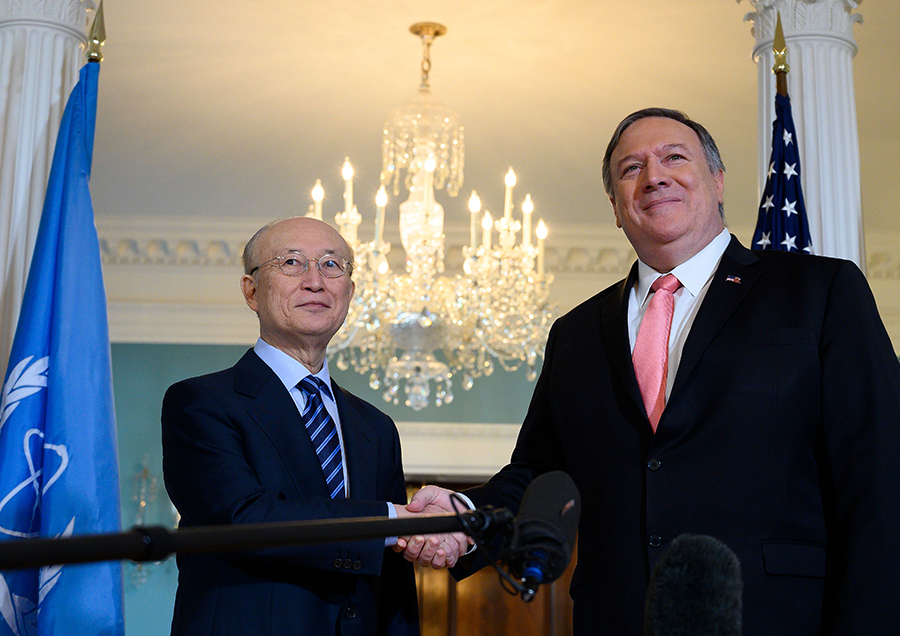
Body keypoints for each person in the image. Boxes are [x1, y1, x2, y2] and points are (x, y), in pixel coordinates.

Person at [398, 108, 900, 635]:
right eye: (630, 169)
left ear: (718, 180)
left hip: (775, 616)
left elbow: (879, 479)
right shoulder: (576, 333)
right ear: (616, 207)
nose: (654, 176)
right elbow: (540, 473)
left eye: (673, 158)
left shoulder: (819, 292)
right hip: (617, 619)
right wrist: (463, 514)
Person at [161, 216, 462, 636]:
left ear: (349, 293)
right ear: (251, 290)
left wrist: (418, 529)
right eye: (291, 263)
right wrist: (398, 521)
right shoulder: (200, 403)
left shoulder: (375, 427)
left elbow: (392, 579)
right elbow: (242, 521)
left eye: (331, 265)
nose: (315, 281)